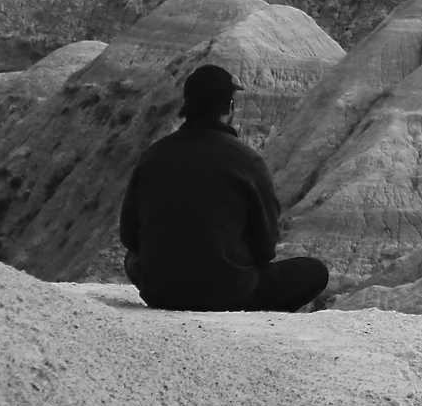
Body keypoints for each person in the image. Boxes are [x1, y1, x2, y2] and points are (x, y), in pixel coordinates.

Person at [119, 63, 330, 312]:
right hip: (230, 293)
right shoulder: (247, 160)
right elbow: (265, 246)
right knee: (314, 271)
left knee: (131, 260)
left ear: (187, 105)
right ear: (229, 107)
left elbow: (129, 236)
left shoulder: (152, 156)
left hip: (161, 292)